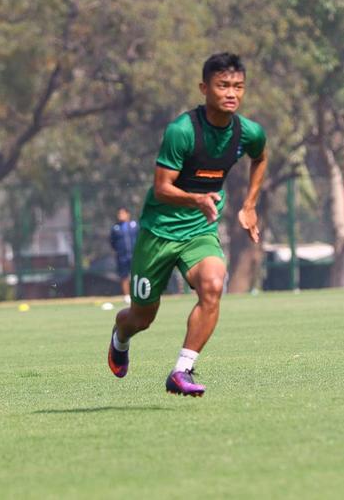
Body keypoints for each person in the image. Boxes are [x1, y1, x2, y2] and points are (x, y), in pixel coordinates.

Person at [107, 52, 267, 397]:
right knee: (141, 317)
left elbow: (261, 156)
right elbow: (163, 188)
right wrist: (197, 198)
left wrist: (250, 204)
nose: (232, 94)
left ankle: (182, 371)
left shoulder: (248, 132)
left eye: (238, 87)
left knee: (213, 284)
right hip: (158, 232)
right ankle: (120, 336)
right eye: (223, 85)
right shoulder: (182, 131)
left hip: (199, 231)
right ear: (204, 88)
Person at [109, 207, 139, 305]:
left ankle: (138, 295)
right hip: (122, 256)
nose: (120, 216)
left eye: (122, 213)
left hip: (135, 255)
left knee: (137, 275)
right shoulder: (115, 228)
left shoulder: (134, 225)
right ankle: (127, 297)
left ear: (128, 214)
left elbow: (140, 238)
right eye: (119, 214)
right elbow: (112, 242)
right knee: (124, 276)